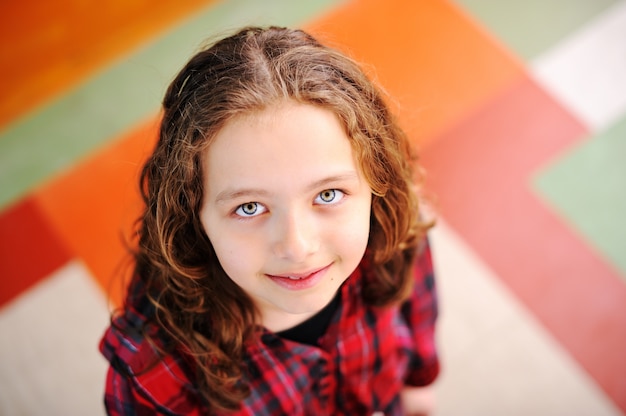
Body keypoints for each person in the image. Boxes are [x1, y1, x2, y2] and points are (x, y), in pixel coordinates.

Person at [100, 26, 439, 415]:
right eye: (249, 207)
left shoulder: (396, 232)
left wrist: (418, 381)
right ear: (192, 216)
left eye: (327, 195)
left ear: (376, 185)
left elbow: (420, 309)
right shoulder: (153, 371)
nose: (296, 246)